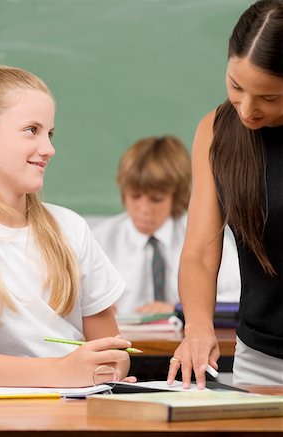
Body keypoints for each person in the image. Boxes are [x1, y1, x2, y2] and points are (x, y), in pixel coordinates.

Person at [0, 65, 135, 388]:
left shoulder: (70, 228)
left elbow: (112, 348)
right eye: (31, 130)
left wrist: (112, 363)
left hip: (76, 413)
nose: (49, 149)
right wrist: (60, 371)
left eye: (49, 133)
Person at [167, 0, 283, 389]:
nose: (247, 109)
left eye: (269, 97)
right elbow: (200, 250)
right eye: (236, 85)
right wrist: (198, 328)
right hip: (259, 358)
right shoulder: (218, 131)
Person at [92, 136, 240, 315]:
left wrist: (179, 310)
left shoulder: (203, 235)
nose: (144, 209)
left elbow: (238, 297)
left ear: (175, 197)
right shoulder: (98, 240)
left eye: (156, 199)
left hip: (185, 338)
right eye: (135, 196)